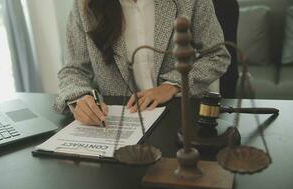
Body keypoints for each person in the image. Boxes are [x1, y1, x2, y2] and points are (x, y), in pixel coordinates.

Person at [54, 0, 230, 127]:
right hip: (116, 122)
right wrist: (79, 98)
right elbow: (73, 70)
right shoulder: (84, 6)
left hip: (180, 118)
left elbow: (216, 56)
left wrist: (172, 86)